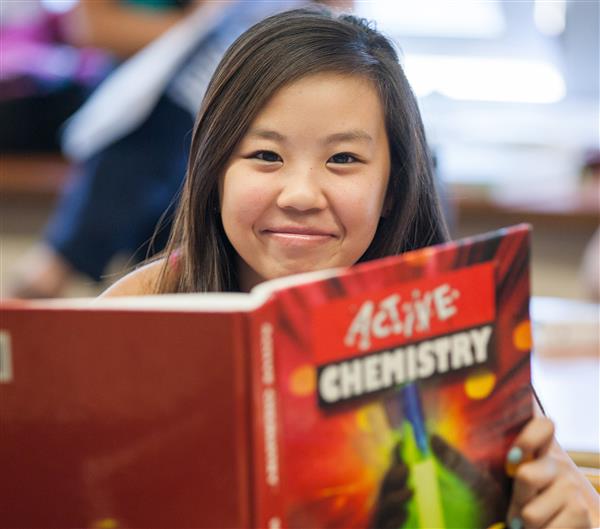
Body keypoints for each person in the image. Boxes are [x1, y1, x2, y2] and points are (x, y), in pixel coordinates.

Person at [102, 7, 600, 527]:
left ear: (392, 187)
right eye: (265, 155)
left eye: (343, 159)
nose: (300, 195)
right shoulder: (132, 315)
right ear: (214, 172)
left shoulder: (462, 340)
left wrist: (552, 513)